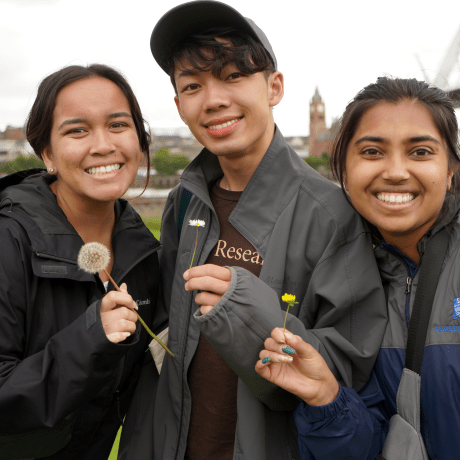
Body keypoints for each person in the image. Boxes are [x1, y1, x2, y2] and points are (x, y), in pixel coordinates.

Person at [118, 2, 387, 460]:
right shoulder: (184, 202)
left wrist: (243, 309)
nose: (214, 98)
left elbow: (347, 371)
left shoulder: (333, 214)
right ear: (179, 104)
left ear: (274, 87)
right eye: (193, 86)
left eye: (233, 76)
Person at [255, 77, 460, 460]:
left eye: (419, 152)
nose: (396, 171)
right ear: (343, 172)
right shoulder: (335, 279)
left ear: (450, 170)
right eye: (371, 151)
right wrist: (326, 399)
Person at [0, 64, 167, 460]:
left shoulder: (143, 252)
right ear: (47, 154)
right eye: (77, 130)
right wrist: (93, 337)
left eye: (118, 125)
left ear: (140, 143)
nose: (103, 145)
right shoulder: (8, 239)